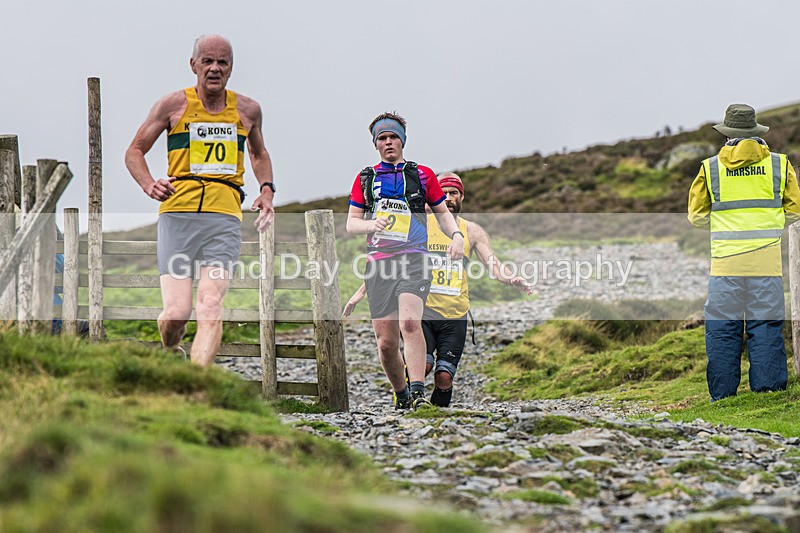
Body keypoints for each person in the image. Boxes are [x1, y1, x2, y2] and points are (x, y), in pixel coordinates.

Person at [125, 35, 275, 366]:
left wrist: (267, 189)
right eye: (207, 61)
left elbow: (258, 153)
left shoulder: (248, 110)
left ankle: (197, 384)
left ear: (231, 68)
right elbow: (134, 151)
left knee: (210, 304)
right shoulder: (172, 105)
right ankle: (170, 350)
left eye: (222, 62)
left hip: (224, 217)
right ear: (193, 65)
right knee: (176, 313)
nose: (214, 68)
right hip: (178, 214)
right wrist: (149, 184)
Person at [344, 172, 531, 407]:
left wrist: (511, 279)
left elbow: (493, 263)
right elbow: (390, 263)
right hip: (423, 310)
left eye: (454, 193)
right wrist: (362, 291)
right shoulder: (418, 224)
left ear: (462, 197)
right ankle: (410, 402)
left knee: (444, 377)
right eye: (443, 193)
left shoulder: (471, 231)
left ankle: (436, 415)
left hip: (455, 314)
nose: (449, 198)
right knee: (423, 366)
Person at [346, 112, 463, 410]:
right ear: (375, 144)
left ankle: (418, 393)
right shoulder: (365, 178)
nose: (388, 142)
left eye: (393, 137)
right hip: (379, 263)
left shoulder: (423, 174)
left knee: (410, 323)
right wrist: (370, 224)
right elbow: (351, 224)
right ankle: (401, 393)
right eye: (382, 138)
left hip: (415, 258)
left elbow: (442, 214)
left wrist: (457, 236)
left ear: (403, 141)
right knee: (386, 343)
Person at [688, 103, 800, 401]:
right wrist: (767, 223)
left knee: (723, 328)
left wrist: (726, 224)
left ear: (727, 135)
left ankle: (723, 397)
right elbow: (794, 211)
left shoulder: (710, 168)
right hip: (766, 263)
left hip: (725, 265)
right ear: (756, 132)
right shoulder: (780, 165)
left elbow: (696, 217)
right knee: (765, 325)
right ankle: (768, 392)